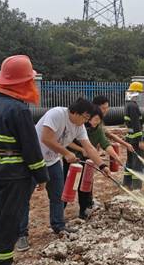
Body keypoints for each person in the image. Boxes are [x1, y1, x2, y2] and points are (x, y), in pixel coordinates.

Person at [0, 55, 49, 265]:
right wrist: (41, 175)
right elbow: (30, 146)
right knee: (9, 220)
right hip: (15, 174)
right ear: (22, 82)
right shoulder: (19, 109)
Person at [18, 98, 110, 248]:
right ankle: (21, 234)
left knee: (58, 195)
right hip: (33, 160)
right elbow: (46, 139)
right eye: (85, 117)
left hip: (52, 161)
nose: (86, 121)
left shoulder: (79, 126)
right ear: (76, 112)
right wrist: (66, 153)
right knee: (23, 197)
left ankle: (59, 225)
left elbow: (89, 148)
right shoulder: (57, 114)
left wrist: (102, 165)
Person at [63, 103, 123, 220]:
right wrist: (81, 149)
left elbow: (105, 144)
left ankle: (84, 210)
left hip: (88, 161)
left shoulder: (98, 130)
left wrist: (116, 157)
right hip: (72, 160)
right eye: (95, 119)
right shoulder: (79, 127)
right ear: (88, 117)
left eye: (99, 120)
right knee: (68, 186)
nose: (97, 122)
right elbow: (67, 142)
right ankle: (60, 213)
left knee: (85, 186)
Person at [123, 82, 144, 190]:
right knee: (137, 162)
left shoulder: (128, 104)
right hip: (135, 139)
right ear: (136, 93)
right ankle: (136, 186)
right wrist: (140, 140)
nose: (140, 95)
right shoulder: (133, 106)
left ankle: (127, 182)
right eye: (140, 93)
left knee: (130, 161)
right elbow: (136, 124)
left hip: (129, 138)